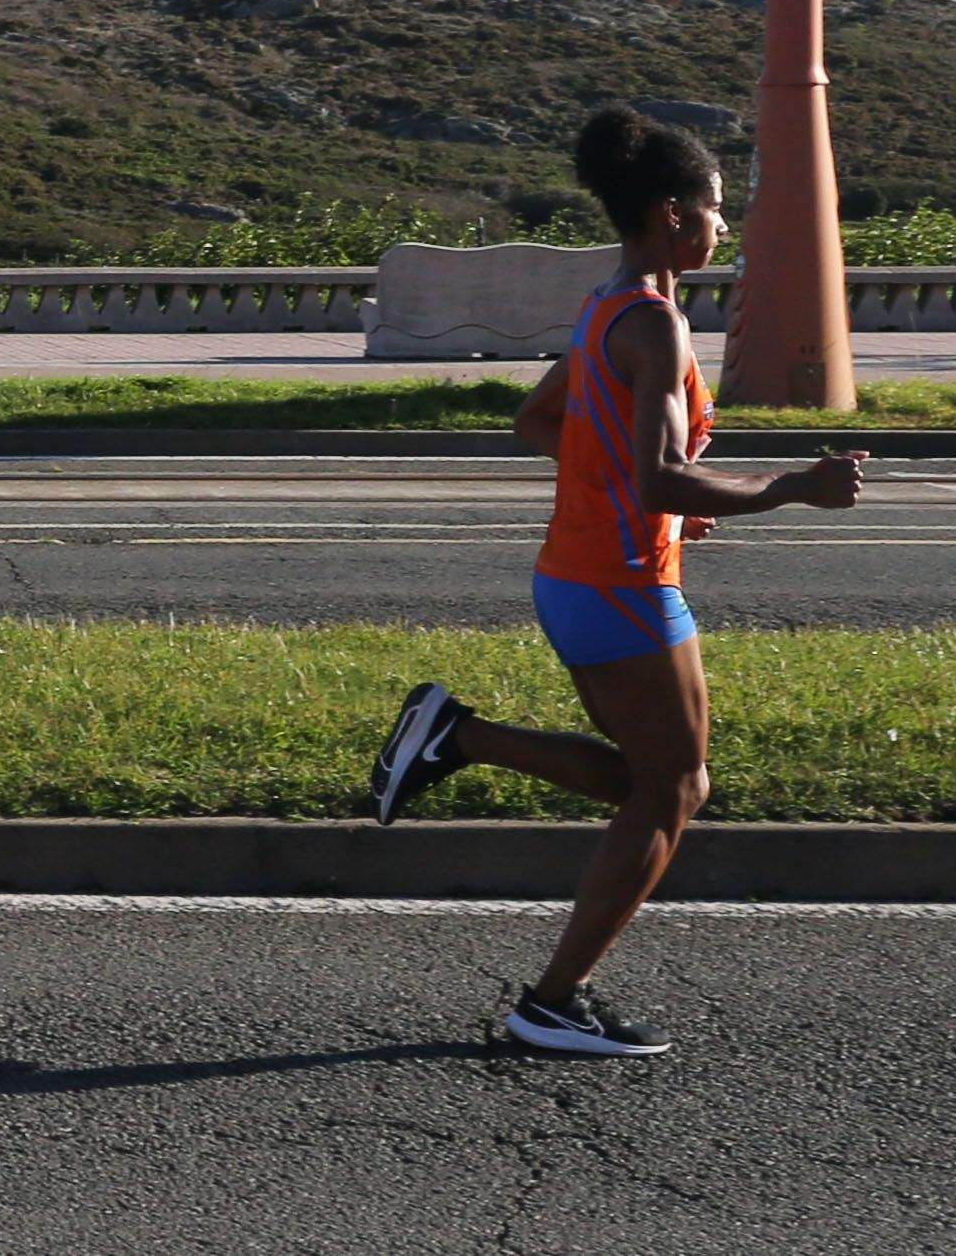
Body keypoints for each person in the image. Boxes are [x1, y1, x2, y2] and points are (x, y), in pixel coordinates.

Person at [368, 105, 866, 1056]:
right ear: (675, 213)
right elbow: (655, 473)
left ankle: (456, 736)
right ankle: (550, 1000)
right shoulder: (656, 325)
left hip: (583, 572)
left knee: (662, 782)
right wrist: (789, 487)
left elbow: (540, 422)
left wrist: (661, 501)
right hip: (620, 583)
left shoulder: (608, 304)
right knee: (673, 783)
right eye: (718, 209)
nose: (724, 226)